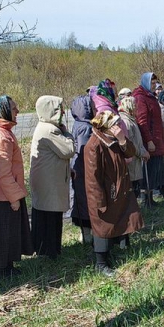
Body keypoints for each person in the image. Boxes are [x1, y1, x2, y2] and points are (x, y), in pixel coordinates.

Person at [84, 111, 144, 277]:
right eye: (114, 125)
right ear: (105, 127)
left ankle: (111, 255)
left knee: (116, 223)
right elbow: (92, 179)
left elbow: (130, 152)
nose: (118, 127)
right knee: (103, 227)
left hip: (118, 191)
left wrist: (123, 139)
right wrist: (99, 202)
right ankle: (100, 264)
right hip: (105, 195)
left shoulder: (114, 140)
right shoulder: (94, 146)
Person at [0, 95, 33, 281]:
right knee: (4, 232)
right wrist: (14, 198)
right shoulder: (0, 136)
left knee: (9, 231)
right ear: (3, 111)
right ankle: (3, 273)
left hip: (6, 191)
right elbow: (3, 173)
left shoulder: (3, 131)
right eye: (13, 108)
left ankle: (8, 268)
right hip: (5, 193)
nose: (17, 111)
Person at [30, 95, 75, 258]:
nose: (63, 111)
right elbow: (68, 150)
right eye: (60, 108)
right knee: (49, 218)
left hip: (47, 181)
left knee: (47, 216)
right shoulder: (50, 130)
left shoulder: (45, 127)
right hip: (49, 183)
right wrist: (67, 133)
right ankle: (50, 252)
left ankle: (47, 249)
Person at [133, 72, 164, 207]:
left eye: (155, 83)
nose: (154, 86)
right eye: (152, 83)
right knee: (149, 170)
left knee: (155, 170)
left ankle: (151, 198)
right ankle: (146, 199)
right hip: (150, 140)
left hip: (157, 138)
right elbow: (142, 122)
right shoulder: (141, 98)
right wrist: (149, 140)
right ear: (146, 82)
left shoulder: (150, 96)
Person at [69, 92, 95, 244]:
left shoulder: (78, 124)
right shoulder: (86, 128)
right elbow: (87, 152)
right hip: (85, 170)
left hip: (78, 168)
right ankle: (87, 236)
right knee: (86, 202)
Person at [118, 96, 150, 200]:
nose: (137, 108)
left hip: (136, 160)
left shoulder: (131, 120)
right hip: (131, 162)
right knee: (133, 189)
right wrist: (142, 153)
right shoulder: (126, 122)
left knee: (136, 187)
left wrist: (143, 151)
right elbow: (131, 144)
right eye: (135, 105)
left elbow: (137, 140)